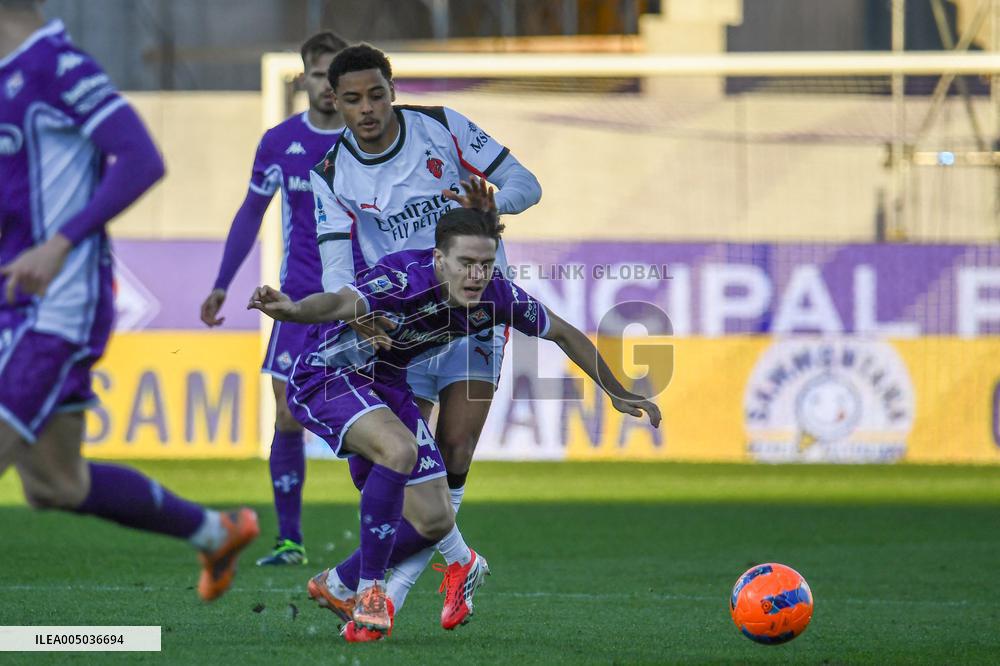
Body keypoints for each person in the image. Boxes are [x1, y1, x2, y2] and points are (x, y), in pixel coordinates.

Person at [248, 203, 661, 641]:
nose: (476, 276)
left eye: (485, 264)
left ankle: (338, 583)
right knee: (400, 450)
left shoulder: (497, 297)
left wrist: (616, 389)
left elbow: (562, 331)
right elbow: (337, 301)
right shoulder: (403, 279)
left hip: (386, 384)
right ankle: (368, 592)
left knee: (434, 520)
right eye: (466, 263)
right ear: (439, 259)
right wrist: (291, 311)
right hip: (328, 376)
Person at [0, 0, 258, 602]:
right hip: (16, 302)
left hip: (56, 308)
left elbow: (141, 158)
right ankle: (213, 531)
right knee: (56, 485)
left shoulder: (59, 67)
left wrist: (60, 244)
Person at [309, 42, 543, 627]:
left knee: (457, 449)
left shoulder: (441, 127)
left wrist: (491, 206)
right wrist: (352, 313)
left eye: (378, 94)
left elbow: (526, 183)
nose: (368, 109)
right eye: (354, 99)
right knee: (406, 462)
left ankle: (386, 593)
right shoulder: (331, 174)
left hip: (474, 308)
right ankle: (459, 563)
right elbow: (337, 266)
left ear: (393, 89)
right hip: (404, 323)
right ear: (333, 101)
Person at [200, 31, 347, 566]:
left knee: (392, 418)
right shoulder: (280, 141)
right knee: (286, 412)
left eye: (337, 75)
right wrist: (222, 282)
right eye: (317, 74)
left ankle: (397, 534)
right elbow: (249, 214)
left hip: (360, 298)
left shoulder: (368, 142)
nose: (327, 85)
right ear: (303, 79)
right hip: (298, 299)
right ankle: (290, 541)